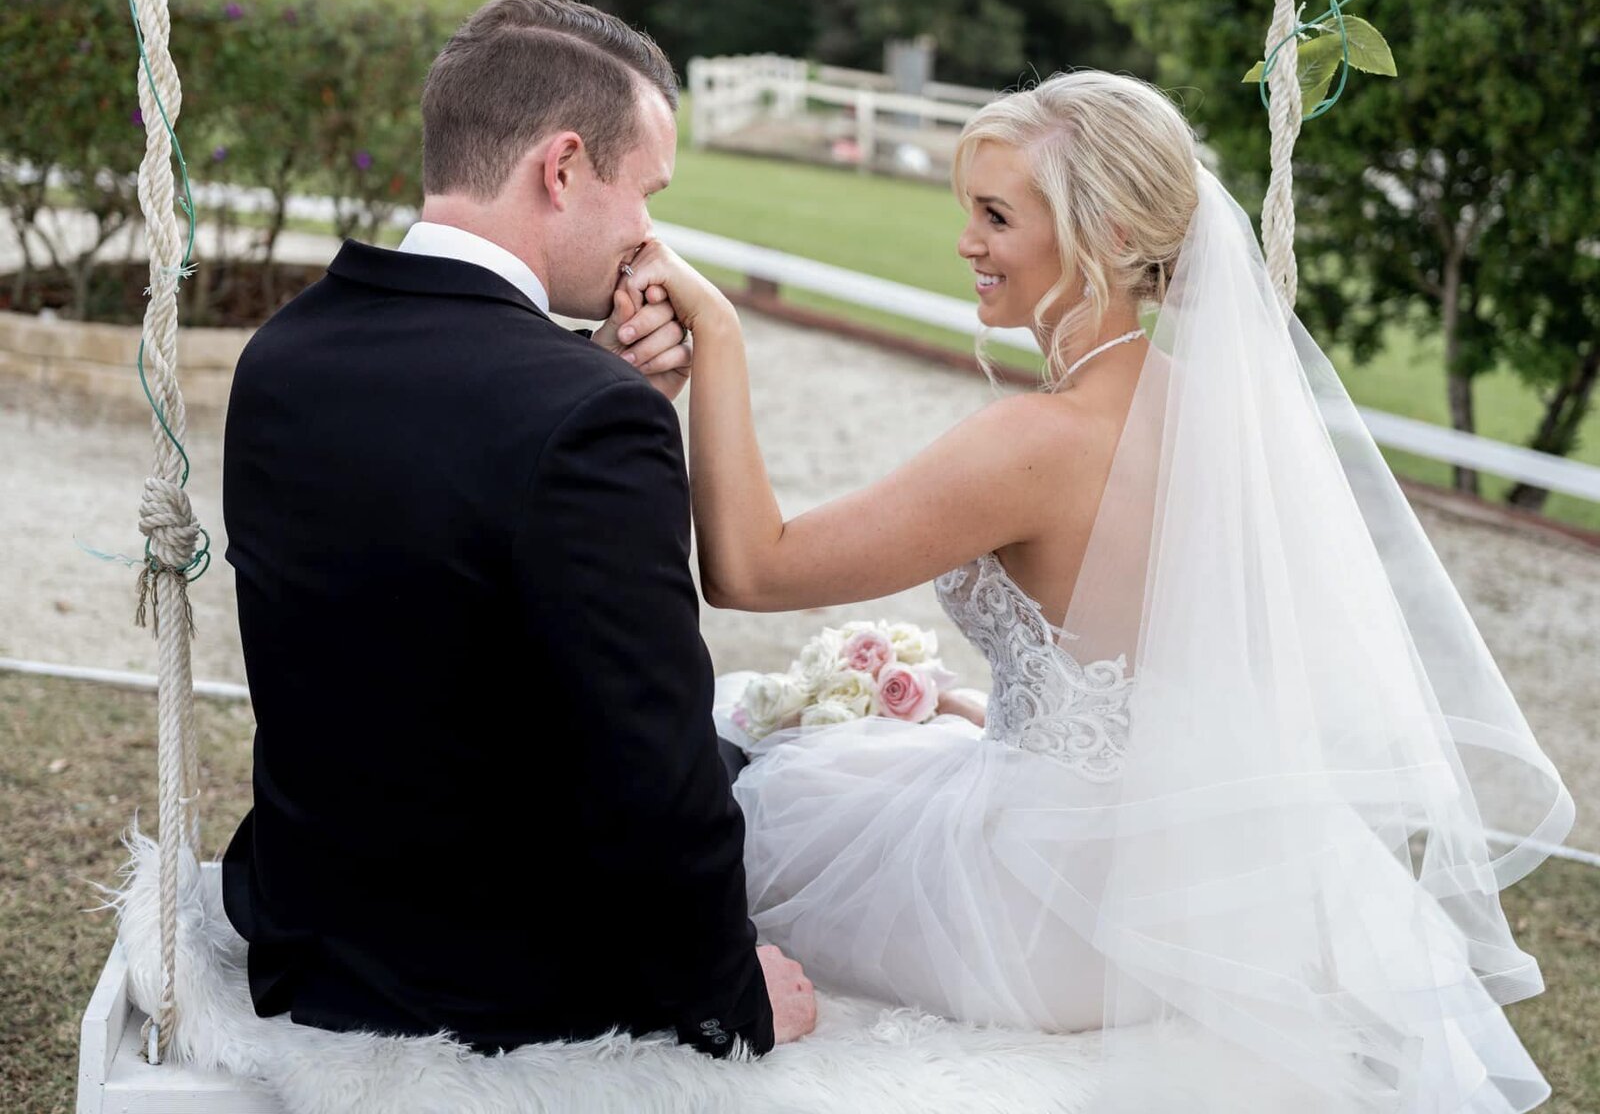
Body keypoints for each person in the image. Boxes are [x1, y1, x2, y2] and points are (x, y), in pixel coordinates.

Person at [616, 71, 1575, 1109]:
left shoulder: (1033, 443)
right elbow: (1171, 679)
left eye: (995, 215)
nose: (965, 243)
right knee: (842, 752)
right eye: (966, 212)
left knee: (758, 808)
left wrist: (718, 336)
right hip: (1202, 895)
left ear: (1106, 231)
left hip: (1047, 918)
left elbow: (754, 566)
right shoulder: (1225, 421)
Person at [219, 0, 816, 1060]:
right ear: (564, 166)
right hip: (502, 980)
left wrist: (587, 384)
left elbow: (422, 590)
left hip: (311, 924)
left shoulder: (282, 355)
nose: (648, 236)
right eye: (646, 192)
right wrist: (735, 992)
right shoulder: (587, 417)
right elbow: (654, 771)